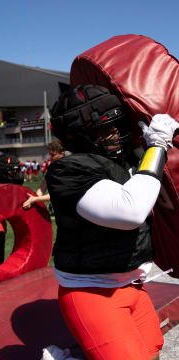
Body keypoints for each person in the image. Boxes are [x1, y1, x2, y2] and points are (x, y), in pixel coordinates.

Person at [43, 84, 178, 360]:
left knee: (152, 353)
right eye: (104, 128)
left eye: (117, 124)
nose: (115, 133)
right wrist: (157, 146)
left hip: (131, 284)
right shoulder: (67, 170)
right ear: (78, 136)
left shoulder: (120, 159)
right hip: (92, 291)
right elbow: (130, 212)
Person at [23, 140, 65, 210]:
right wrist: (32, 200)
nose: (49, 158)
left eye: (53, 155)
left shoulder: (68, 169)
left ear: (62, 154)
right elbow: (43, 186)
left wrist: (35, 199)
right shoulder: (52, 167)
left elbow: (57, 194)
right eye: (49, 154)